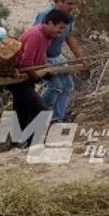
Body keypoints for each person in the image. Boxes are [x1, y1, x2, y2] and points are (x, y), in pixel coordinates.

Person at [10, 10, 72, 138]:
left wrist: (46, 68)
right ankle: (32, 142)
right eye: (59, 28)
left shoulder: (46, 36)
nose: (60, 32)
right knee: (41, 110)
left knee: (21, 110)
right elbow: (26, 63)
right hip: (19, 79)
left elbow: (42, 54)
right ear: (50, 23)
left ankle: (17, 142)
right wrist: (37, 76)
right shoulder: (36, 35)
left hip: (26, 78)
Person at [34, 0, 82, 123]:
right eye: (69, 4)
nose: (72, 7)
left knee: (67, 86)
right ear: (59, 2)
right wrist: (44, 65)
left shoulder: (69, 17)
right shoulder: (44, 15)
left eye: (74, 4)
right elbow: (39, 39)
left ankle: (57, 118)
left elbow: (70, 37)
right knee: (56, 86)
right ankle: (35, 110)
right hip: (44, 57)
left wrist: (79, 57)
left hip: (58, 56)